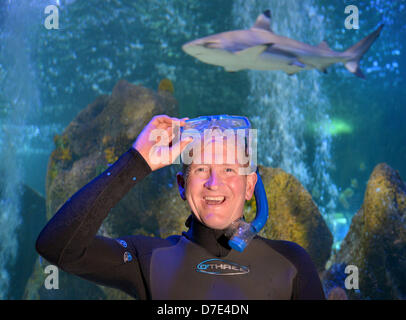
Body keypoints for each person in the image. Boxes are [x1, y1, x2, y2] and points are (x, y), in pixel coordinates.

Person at [36, 114, 326, 300]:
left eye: (228, 169)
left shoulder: (292, 264)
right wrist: (137, 161)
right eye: (201, 169)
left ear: (250, 186)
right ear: (181, 184)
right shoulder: (147, 259)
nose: (214, 182)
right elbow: (57, 245)